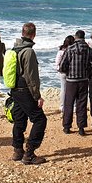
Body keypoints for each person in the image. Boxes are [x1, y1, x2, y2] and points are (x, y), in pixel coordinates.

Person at [8, 22, 47, 164]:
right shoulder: (28, 51)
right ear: (33, 34)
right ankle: (29, 153)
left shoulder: (15, 48)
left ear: (22, 33)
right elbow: (31, 76)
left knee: (20, 119)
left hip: (14, 90)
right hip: (25, 90)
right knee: (40, 119)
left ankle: (18, 151)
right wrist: (37, 96)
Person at [59, 30, 92, 135]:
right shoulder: (88, 49)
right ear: (84, 37)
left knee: (68, 103)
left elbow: (62, 66)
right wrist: (88, 75)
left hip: (71, 80)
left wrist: (67, 72)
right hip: (83, 80)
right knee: (81, 104)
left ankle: (66, 127)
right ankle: (81, 128)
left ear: (75, 37)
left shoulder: (70, 49)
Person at [55, 35, 75, 112]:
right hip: (71, 72)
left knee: (63, 89)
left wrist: (58, 70)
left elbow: (57, 63)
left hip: (62, 72)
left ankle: (62, 106)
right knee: (73, 89)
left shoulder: (61, 51)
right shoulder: (73, 50)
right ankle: (74, 106)